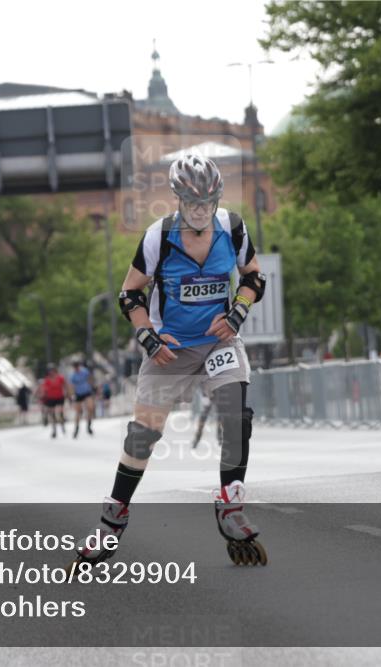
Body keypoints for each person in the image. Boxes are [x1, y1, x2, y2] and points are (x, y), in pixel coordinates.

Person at [73, 154, 269, 569]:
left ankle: (231, 505)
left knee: (236, 414)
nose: (201, 211)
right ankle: (112, 520)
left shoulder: (232, 228)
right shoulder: (158, 237)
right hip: (170, 349)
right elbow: (130, 295)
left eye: (209, 202)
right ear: (177, 199)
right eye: (193, 203)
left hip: (219, 342)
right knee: (142, 437)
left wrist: (236, 311)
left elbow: (253, 277)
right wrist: (147, 336)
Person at [69, 360, 96, 438]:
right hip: (78, 394)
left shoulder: (84, 371)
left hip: (87, 392)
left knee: (90, 408)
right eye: (75, 367)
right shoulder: (73, 375)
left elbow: (90, 378)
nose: (76, 368)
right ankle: (76, 428)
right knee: (78, 412)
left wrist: (92, 387)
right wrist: (72, 395)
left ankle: (89, 425)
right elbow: (71, 386)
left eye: (77, 366)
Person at [40, 365, 68, 438]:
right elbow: (44, 389)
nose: (51, 372)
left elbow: (65, 386)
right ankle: (54, 430)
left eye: (53, 370)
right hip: (51, 399)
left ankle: (62, 425)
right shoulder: (47, 380)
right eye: (50, 371)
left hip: (59, 398)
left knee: (60, 413)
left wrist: (67, 394)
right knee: (52, 415)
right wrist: (42, 396)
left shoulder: (60, 378)